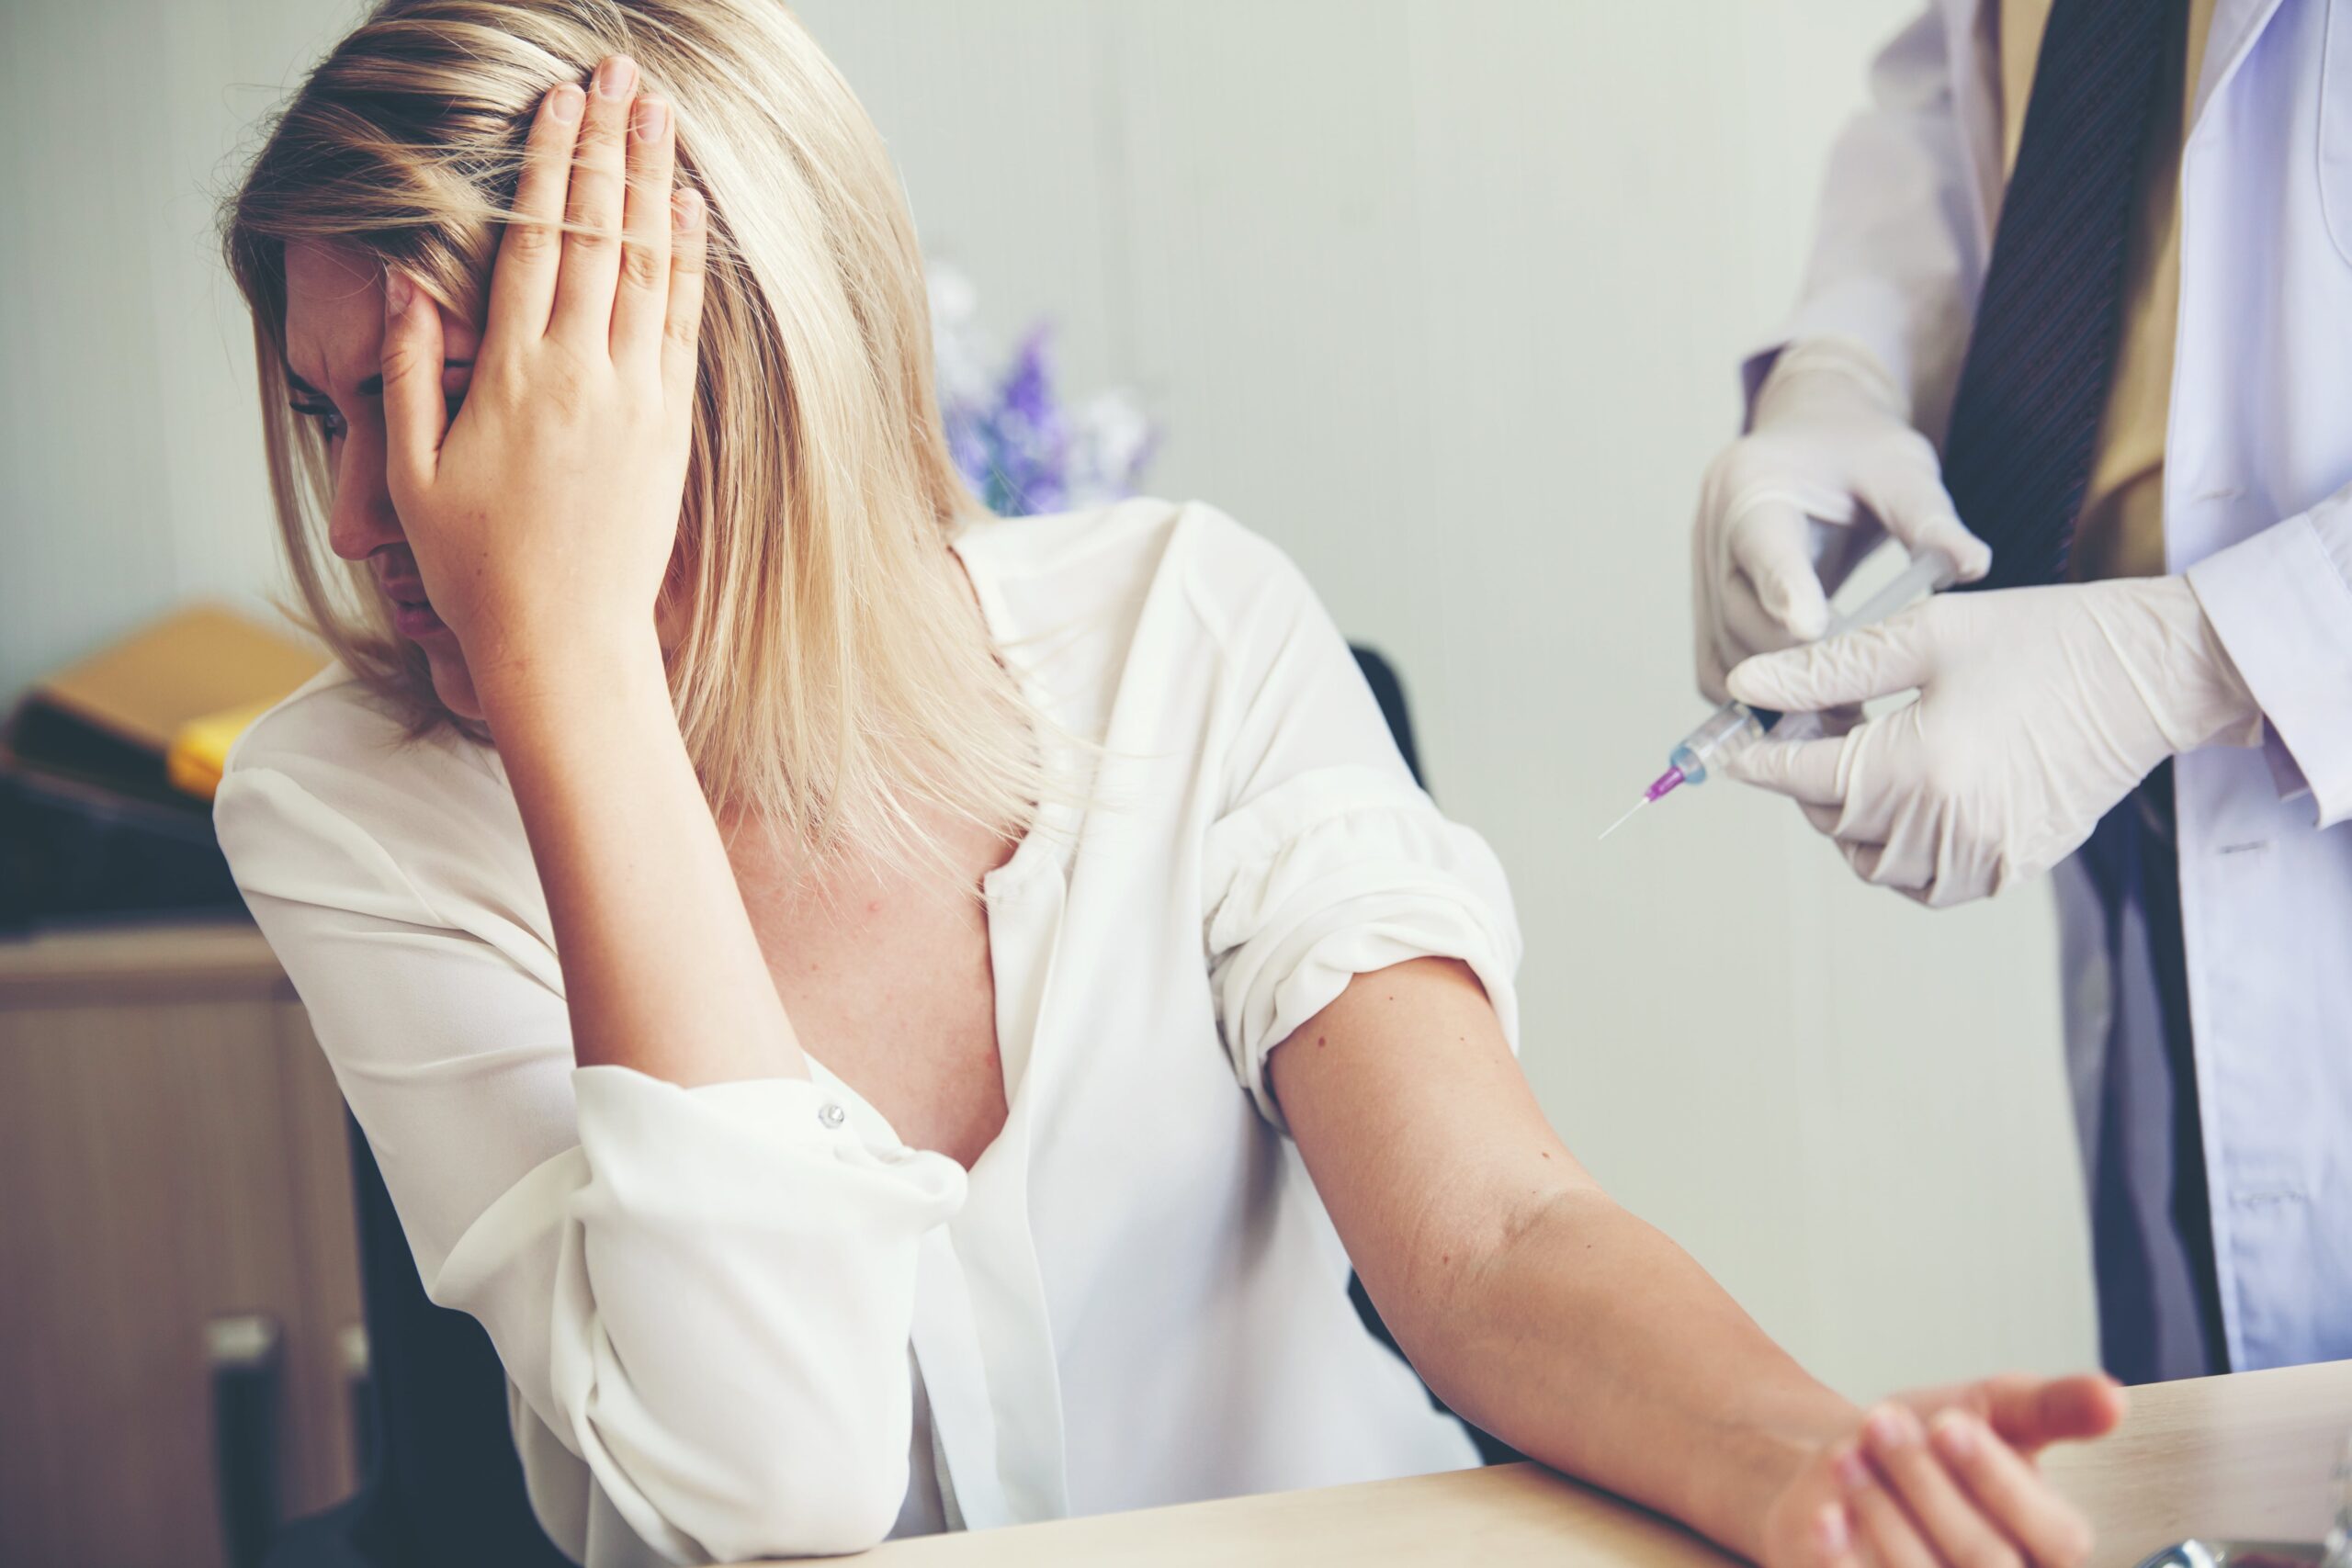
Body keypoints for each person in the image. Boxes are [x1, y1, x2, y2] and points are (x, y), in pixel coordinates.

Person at [218, 4, 2119, 1563]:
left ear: (746, 359)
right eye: (327, 412)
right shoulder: (340, 807)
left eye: (452, 390)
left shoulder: (1179, 623)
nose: (376, 509)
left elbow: (1489, 1236)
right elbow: (774, 1483)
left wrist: (1799, 1455)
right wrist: (571, 669)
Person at [1688, 0, 2352, 1386]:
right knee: (2228, 1473)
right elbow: (1990, 79)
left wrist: (2205, 654)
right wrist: (1845, 369)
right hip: (2134, 822)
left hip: (2246, 732)